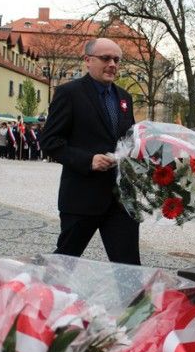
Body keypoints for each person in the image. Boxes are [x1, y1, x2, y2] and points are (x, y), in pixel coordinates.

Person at [40, 37, 139, 266]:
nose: (112, 64)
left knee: (129, 267)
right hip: (82, 197)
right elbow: (49, 141)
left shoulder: (125, 97)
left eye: (116, 60)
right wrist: (88, 160)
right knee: (64, 262)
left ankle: (134, 294)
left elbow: (129, 139)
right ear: (87, 60)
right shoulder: (69, 93)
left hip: (121, 199)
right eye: (106, 58)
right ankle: (37, 289)